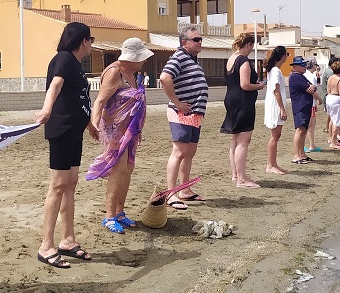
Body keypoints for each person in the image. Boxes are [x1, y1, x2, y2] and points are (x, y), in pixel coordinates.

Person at [35, 22, 100, 268]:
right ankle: (46, 245)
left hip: (75, 131)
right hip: (61, 130)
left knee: (70, 184)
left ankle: (68, 240)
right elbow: (56, 85)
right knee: (58, 185)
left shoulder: (77, 65)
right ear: (83, 40)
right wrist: (46, 108)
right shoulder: (63, 58)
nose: (91, 44)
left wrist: (89, 126)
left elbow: (77, 100)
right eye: (90, 39)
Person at [87, 38, 152, 233]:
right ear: (131, 58)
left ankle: (120, 212)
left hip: (130, 130)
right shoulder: (115, 72)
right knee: (118, 169)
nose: (143, 62)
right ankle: (109, 216)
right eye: (141, 58)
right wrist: (94, 124)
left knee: (128, 168)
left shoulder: (133, 73)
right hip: (115, 130)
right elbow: (99, 101)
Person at [159, 27, 210, 209]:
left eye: (200, 39)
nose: (199, 42)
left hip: (194, 114)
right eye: (196, 39)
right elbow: (165, 78)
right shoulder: (179, 57)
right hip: (181, 113)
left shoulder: (191, 60)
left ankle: (184, 189)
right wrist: (177, 102)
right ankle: (171, 193)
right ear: (184, 42)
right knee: (179, 152)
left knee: (189, 152)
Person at [220, 33, 266, 188]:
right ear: (249, 45)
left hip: (231, 100)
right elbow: (245, 84)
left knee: (235, 140)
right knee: (243, 141)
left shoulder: (231, 59)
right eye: (252, 47)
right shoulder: (243, 60)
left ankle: (236, 174)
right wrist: (259, 86)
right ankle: (241, 178)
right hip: (243, 102)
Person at [262, 46, 290, 175]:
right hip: (275, 105)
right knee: (275, 135)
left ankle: (273, 163)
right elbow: (276, 91)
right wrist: (282, 109)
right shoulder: (276, 71)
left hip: (275, 103)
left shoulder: (274, 70)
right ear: (283, 56)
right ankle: (270, 164)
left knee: (276, 135)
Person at [288, 56, 319, 164]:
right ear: (295, 66)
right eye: (302, 65)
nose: (304, 66)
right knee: (300, 130)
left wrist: (312, 88)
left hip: (304, 106)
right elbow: (310, 88)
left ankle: (301, 154)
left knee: (304, 130)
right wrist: (312, 88)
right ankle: (297, 155)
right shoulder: (296, 77)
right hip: (300, 107)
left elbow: (313, 87)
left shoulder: (301, 76)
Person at [303, 61, 322, 153]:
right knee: (311, 125)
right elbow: (313, 91)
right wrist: (319, 99)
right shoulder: (311, 76)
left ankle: (311, 144)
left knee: (310, 125)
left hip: (309, 103)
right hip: (310, 104)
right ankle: (310, 145)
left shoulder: (305, 75)